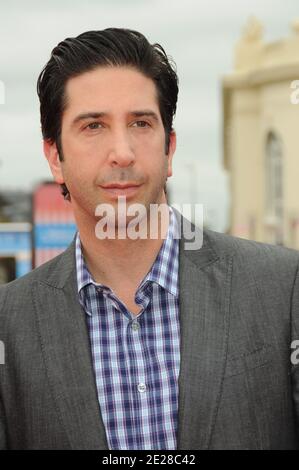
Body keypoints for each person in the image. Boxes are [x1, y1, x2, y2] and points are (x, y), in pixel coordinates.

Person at [0, 28, 299, 451]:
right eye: (93, 126)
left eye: (141, 123)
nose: (122, 152)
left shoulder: (283, 287)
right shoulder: (9, 326)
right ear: (55, 157)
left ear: (169, 149)